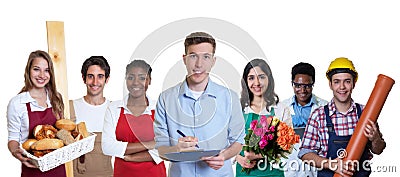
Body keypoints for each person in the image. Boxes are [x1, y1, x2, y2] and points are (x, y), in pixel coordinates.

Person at [154, 31, 245, 177]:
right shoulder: (166, 99)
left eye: (206, 57)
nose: (199, 64)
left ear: (213, 61)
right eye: (193, 56)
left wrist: (224, 156)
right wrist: (177, 148)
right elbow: (160, 149)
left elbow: (238, 141)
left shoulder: (230, 98)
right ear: (184, 59)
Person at [298, 57, 386, 177]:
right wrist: (330, 164)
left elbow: (378, 150)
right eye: (337, 81)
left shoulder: (366, 112)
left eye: (347, 81)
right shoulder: (318, 115)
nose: (342, 87)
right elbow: (305, 153)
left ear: (354, 83)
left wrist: (375, 138)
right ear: (330, 84)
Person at [7, 50, 66, 177]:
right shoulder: (17, 103)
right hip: (32, 168)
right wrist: (15, 151)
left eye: (46, 70)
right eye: (36, 69)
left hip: (58, 169)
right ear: (28, 71)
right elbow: (13, 139)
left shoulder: (56, 98)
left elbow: (62, 131)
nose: (42, 75)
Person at [102, 59, 166, 177]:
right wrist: (149, 144)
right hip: (123, 173)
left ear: (149, 80)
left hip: (154, 173)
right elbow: (107, 147)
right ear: (125, 79)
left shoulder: (160, 109)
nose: (136, 82)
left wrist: (131, 158)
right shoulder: (114, 108)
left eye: (142, 78)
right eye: (131, 77)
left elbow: (165, 148)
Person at [235, 58, 291, 177]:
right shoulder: (237, 109)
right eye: (251, 78)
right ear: (245, 81)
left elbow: (288, 146)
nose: (257, 83)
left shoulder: (281, 109)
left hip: (273, 172)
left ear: (269, 79)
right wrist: (238, 157)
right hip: (245, 173)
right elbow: (224, 142)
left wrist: (260, 155)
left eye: (261, 77)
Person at [276, 62, 328, 177]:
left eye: (307, 86)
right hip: (290, 166)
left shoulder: (325, 107)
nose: (302, 90)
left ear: (313, 84)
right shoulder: (281, 107)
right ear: (292, 84)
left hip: (316, 166)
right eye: (298, 85)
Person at [70, 56, 113, 177]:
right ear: (83, 78)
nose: (95, 82)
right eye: (90, 76)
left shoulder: (114, 109)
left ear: (107, 79)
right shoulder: (70, 107)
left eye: (100, 76)